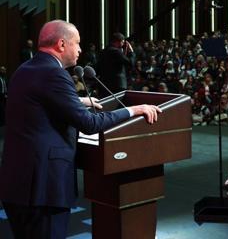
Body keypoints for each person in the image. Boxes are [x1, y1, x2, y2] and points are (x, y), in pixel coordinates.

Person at [0, 20, 161, 239]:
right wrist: (133, 110)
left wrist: (78, 101)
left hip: (17, 184)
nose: (80, 50)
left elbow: (38, 102)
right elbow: (89, 124)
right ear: (61, 44)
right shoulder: (55, 74)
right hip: (44, 189)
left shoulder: (25, 69)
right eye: (77, 43)